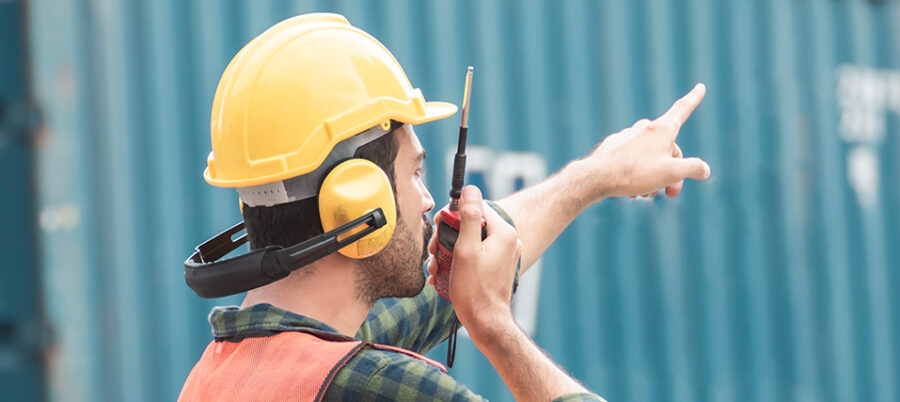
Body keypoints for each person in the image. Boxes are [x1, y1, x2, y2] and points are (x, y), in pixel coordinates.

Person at [178, 13, 710, 402]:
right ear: (356, 202)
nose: (430, 201)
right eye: (414, 172)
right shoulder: (383, 387)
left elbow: (443, 290)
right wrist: (493, 323)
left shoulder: (228, 373)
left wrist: (597, 176)